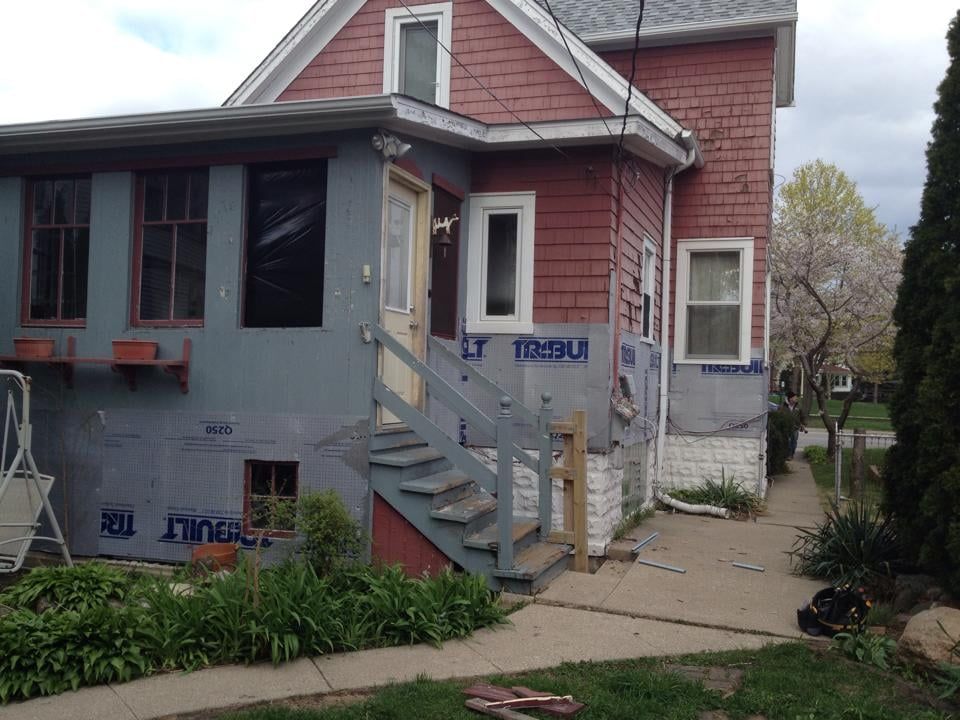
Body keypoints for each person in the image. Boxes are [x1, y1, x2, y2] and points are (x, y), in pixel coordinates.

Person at [781, 391, 806, 459]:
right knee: (788, 442)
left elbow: (802, 416)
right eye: (795, 397)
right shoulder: (783, 406)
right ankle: (788, 455)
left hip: (795, 428)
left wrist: (803, 425)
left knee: (794, 441)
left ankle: (791, 454)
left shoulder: (799, 407)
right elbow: (780, 415)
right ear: (790, 398)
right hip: (786, 428)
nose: (796, 398)